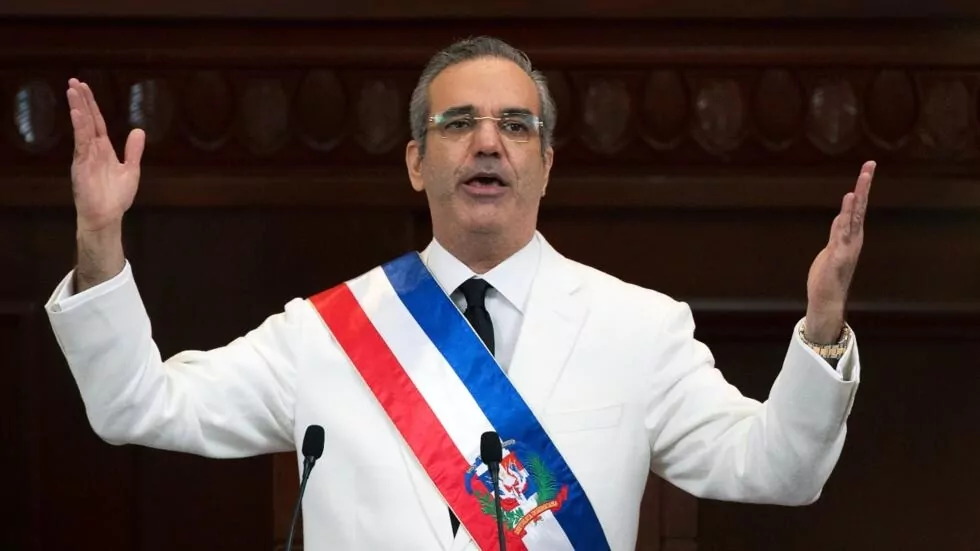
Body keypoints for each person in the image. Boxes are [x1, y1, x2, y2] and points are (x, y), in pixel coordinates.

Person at [45, 36, 873, 551]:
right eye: (457, 124)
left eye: (516, 125)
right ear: (416, 162)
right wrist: (99, 235)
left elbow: (781, 468)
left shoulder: (638, 328)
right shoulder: (325, 332)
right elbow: (135, 404)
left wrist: (824, 327)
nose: (488, 143)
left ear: (546, 165)